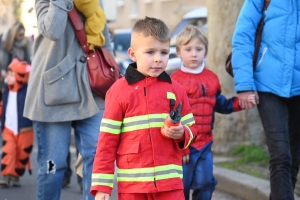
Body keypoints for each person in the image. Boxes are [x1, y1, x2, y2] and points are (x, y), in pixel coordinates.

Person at [90, 16, 197, 200]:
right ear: (133, 54)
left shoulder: (176, 89)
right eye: (150, 52)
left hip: (170, 185)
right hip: (133, 188)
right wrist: (102, 187)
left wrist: (182, 133)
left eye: (164, 52)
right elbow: (106, 143)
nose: (158, 59)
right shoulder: (118, 92)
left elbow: (192, 130)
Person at [23, 0, 113, 199]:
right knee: (53, 166)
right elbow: (52, 30)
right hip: (52, 94)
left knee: (97, 157)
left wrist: (111, 73)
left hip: (91, 89)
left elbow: (104, 38)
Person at [171, 25, 253, 200]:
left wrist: (241, 103)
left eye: (199, 49)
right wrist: (180, 147)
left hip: (205, 144)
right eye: (188, 49)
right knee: (180, 189)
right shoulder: (173, 82)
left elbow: (220, 104)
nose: (194, 54)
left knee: (206, 183)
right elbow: (171, 118)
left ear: (206, 52)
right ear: (178, 52)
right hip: (183, 147)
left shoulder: (212, 78)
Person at [231, 1, 300, 199]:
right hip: (268, 84)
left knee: (294, 157)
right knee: (281, 155)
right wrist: (244, 85)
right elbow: (243, 36)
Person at [0, 58, 33, 188]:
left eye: (12, 74)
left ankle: (15, 176)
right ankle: (7, 175)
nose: (8, 76)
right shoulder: (6, 90)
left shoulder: (27, 90)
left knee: (22, 153)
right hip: (8, 127)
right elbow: (4, 105)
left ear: (21, 76)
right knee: (9, 150)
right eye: (8, 73)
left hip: (25, 129)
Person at [0, 22, 31, 99]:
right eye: (20, 35)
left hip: (20, 82)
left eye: (23, 34)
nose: (22, 37)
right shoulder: (5, 42)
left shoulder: (25, 43)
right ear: (15, 34)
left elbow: (29, 62)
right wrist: (1, 70)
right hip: (6, 80)